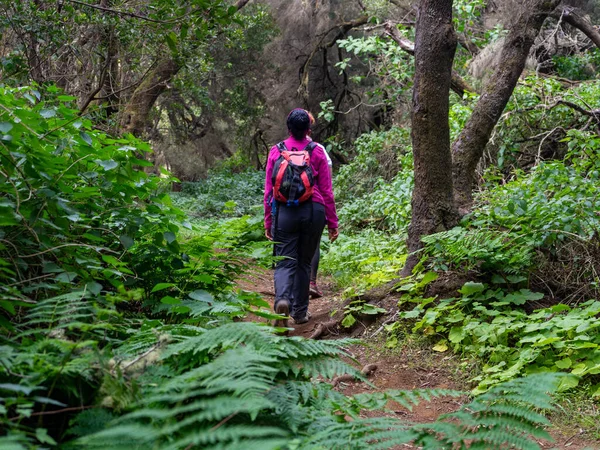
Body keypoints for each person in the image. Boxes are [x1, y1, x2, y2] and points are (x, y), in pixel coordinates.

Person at [264, 108, 338, 327]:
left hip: (285, 212)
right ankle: (299, 313)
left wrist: (269, 221)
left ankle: (282, 302)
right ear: (308, 129)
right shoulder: (316, 151)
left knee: (285, 262)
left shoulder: (276, 151)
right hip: (313, 210)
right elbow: (327, 191)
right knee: (304, 263)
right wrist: (332, 223)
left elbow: (269, 192)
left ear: (288, 128)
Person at [305, 111, 332, 299]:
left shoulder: (281, 148)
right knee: (313, 245)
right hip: (315, 205)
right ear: (309, 127)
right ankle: (311, 282)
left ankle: (289, 288)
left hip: (288, 207)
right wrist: (332, 219)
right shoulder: (319, 149)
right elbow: (327, 185)